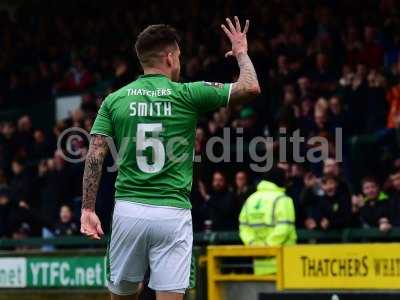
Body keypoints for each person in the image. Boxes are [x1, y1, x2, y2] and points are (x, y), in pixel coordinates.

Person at [80, 17, 260, 300]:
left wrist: (88, 209)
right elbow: (250, 87)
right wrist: (241, 53)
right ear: (169, 56)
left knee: (123, 296)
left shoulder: (115, 100)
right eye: (179, 55)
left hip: (130, 211)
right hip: (172, 214)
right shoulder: (187, 94)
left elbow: (94, 156)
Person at [239, 167, 296, 275]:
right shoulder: (283, 199)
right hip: (284, 264)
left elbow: (243, 227)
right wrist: (267, 247)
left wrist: (254, 245)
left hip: (260, 265)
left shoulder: (251, 199)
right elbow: (284, 228)